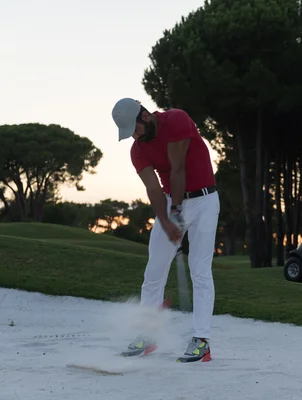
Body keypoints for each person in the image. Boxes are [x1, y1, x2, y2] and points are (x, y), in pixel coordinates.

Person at [111, 97, 220, 363]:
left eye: (134, 129)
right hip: (172, 200)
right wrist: (166, 220)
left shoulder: (177, 120)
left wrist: (176, 212)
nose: (134, 137)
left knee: (200, 270)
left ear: (144, 117)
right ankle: (148, 337)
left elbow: (178, 168)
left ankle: (201, 341)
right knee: (153, 272)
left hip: (205, 201)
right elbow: (153, 189)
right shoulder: (137, 150)